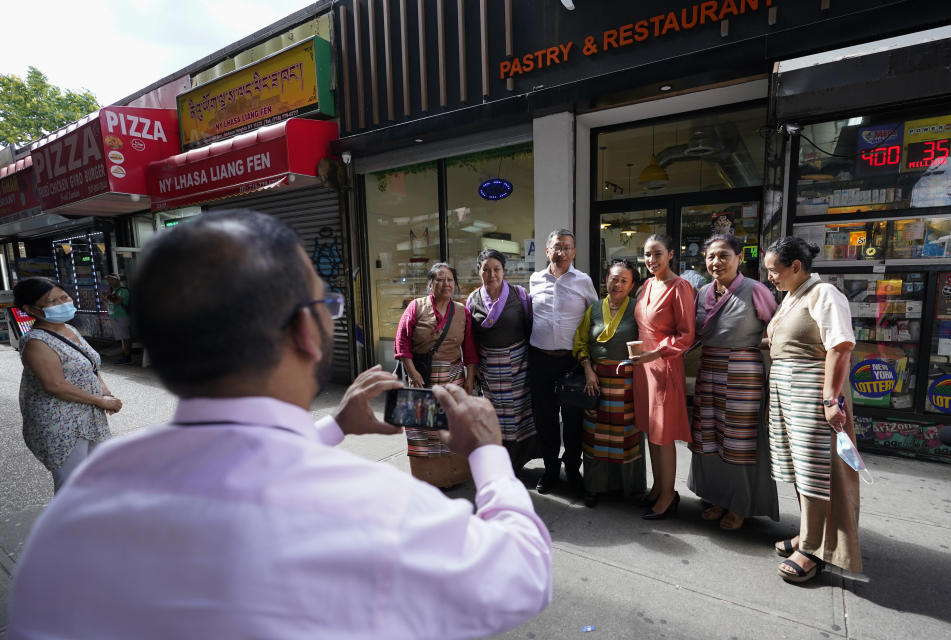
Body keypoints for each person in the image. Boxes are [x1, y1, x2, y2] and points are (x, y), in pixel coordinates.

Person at [7, 210, 552, 639]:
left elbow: (233, 470)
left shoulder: (80, 505)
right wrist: (487, 452)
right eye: (326, 303)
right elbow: (524, 574)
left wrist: (334, 427)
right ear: (306, 334)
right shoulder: (377, 510)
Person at [763, 236, 861, 583]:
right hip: (788, 396)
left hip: (811, 397)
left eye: (774, 271)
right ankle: (809, 534)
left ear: (796, 267)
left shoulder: (824, 294)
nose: (770, 277)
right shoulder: (793, 296)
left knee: (816, 473)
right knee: (799, 468)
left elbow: (841, 346)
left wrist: (830, 399)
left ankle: (813, 549)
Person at [687, 235, 780, 531]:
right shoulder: (702, 293)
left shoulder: (756, 290)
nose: (716, 262)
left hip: (743, 374)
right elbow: (695, 335)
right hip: (709, 370)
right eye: (711, 256)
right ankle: (718, 497)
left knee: (739, 443)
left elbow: (777, 329)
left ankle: (741, 504)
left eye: (724, 255)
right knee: (710, 439)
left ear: (739, 258)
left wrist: (752, 345)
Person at [13, 277, 122, 492]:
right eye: (52, 301)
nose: (62, 303)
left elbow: (90, 365)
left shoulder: (71, 330)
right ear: (30, 309)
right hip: (61, 423)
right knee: (72, 485)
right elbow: (55, 385)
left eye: (64, 297)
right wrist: (100, 400)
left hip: (89, 416)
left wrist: (106, 392)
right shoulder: (36, 342)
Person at [394, 262, 478, 487]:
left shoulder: (462, 312)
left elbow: (470, 350)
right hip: (420, 378)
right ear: (430, 284)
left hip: (453, 379)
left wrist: (470, 379)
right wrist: (412, 372)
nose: (445, 284)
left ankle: (452, 476)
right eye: (440, 279)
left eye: (450, 280)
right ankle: (425, 479)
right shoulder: (416, 307)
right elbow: (401, 343)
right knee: (421, 432)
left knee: (451, 428)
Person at [630, 234, 696, 519]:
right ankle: (658, 486)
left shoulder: (680, 287)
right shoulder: (646, 285)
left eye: (657, 254)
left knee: (664, 433)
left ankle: (669, 495)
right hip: (643, 368)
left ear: (671, 254)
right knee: (650, 430)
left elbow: (686, 336)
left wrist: (655, 353)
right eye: (647, 254)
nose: (651, 260)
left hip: (664, 365)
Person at [529, 229, 599, 494]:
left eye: (568, 247)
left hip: (571, 362)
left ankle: (572, 469)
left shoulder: (583, 281)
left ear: (574, 252)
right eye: (557, 247)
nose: (563, 253)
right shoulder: (535, 280)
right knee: (545, 420)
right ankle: (550, 471)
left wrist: (589, 364)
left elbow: (594, 319)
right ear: (547, 251)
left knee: (573, 421)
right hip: (541, 360)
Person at [573, 258, 644, 507]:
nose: (618, 284)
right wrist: (588, 369)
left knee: (626, 436)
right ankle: (594, 486)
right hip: (596, 380)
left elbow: (647, 341)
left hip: (627, 381)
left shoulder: (638, 308)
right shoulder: (593, 309)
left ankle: (630, 487)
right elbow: (580, 342)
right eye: (614, 278)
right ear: (605, 280)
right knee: (594, 435)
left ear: (632, 284)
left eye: (624, 280)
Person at [467, 248, 539, 472]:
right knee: (494, 417)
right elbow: (470, 337)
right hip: (489, 369)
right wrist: (474, 366)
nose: (491, 274)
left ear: (504, 271)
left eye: (496, 269)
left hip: (519, 366)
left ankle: (518, 462)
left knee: (519, 416)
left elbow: (531, 327)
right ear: (479, 272)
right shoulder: (473, 299)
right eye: (486, 269)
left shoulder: (519, 295)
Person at [106, 273, 132, 364]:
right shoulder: (114, 291)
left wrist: (108, 297)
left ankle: (127, 357)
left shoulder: (122, 290)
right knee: (122, 337)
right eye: (108, 280)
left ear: (117, 280)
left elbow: (117, 302)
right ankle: (125, 355)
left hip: (122, 316)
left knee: (125, 337)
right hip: (116, 316)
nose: (109, 281)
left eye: (112, 279)